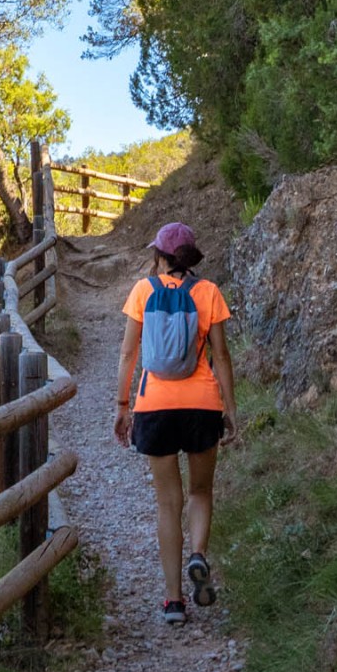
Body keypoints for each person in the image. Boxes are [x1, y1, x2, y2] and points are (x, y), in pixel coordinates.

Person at [112, 221, 237, 625]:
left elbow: (128, 354)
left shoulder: (142, 291)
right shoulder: (208, 292)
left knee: (169, 502)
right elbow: (222, 356)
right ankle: (198, 555)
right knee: (201, 491)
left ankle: (173, 602)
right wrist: (229, 409)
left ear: (161, 256)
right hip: (202, 405)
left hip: (155, 406)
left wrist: (122, 405)